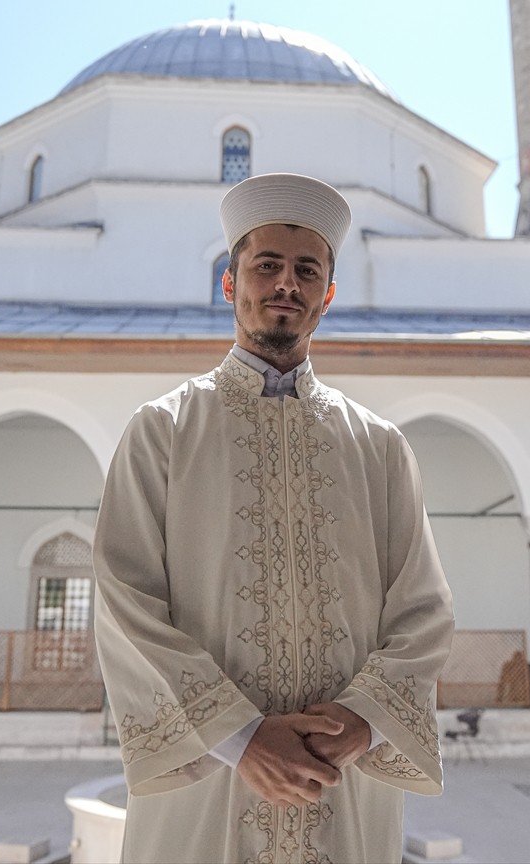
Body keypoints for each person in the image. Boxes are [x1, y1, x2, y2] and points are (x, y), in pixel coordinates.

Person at [93, 173, 454, 864]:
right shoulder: (163, 430)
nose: (285, 283)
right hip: (207, 788)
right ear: (231, 284)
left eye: (306, 270)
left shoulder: (378, 446)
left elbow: (424, 610)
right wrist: (240, 737)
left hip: (340, 779)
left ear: (327, 296)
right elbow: (123, 600)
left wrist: (364, 721)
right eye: (267, 265)